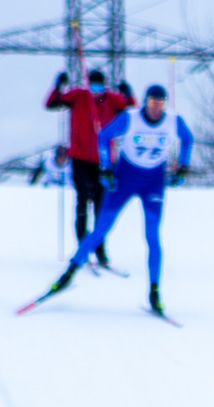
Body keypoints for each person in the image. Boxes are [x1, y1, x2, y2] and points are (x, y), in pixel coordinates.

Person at [34, 84, 191, 316]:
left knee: (152, 235)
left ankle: (154, 292)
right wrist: (106, 167)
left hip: (153, 182)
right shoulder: (131, 117)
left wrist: (183, 166)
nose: (155, 109)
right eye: (151, 103)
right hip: (125, 178)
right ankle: (68, 274)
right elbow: (104, 135)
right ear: (144, 102)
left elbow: (187, 139)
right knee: (101, 230)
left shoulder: (173, 121)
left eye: (160, 104)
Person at [42, 66, 131, 265]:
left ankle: (100, 248)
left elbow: (131, 111)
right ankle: (82, 246)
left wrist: (128, 93)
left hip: (104, 162)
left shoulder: (111, 99)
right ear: (87, 83)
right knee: (82, 201)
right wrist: (58, 86)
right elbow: (52, 103)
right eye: (93, 84)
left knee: (101, 206)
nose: (96, 89)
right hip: (80, 159)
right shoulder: (79, 96)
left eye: (99, 85)